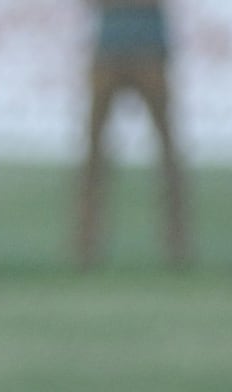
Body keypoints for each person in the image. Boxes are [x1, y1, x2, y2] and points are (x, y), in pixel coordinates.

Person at [74, 0, 191, 270]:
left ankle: (178, 243)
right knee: (94, 152)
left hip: (148, 46)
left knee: (168, 152)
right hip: (110, 45)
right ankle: (85, 245)